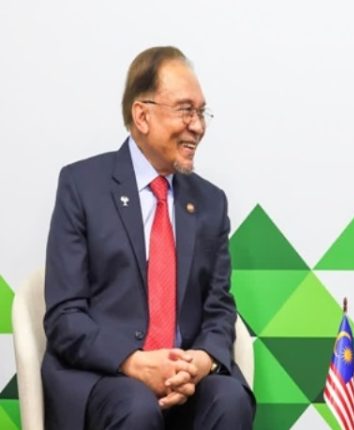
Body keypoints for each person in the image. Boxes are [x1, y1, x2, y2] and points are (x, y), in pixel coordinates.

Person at [43, 46, 256, 430]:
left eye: (201, 112)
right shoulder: (82, 186)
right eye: (185, 110)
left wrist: (201, 361)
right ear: (142, 115)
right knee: (136, 406)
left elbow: (219, 307)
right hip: (106, 376)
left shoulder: (210, 202)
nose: (198, 126)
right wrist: (133, 362)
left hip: (185, 379)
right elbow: (65, 316)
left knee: (230, 399)